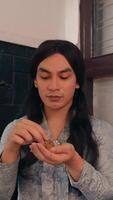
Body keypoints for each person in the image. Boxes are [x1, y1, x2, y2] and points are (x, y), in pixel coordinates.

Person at [0, 40, 113, 200]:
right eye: (45, 77)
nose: (53, 86)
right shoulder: (16, 130)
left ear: (77, 82)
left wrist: (75, 162)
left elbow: (108, 195)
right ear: (35, 81)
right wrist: (10, 150)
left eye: (64, 77)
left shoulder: (101, 131)